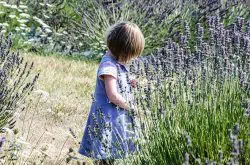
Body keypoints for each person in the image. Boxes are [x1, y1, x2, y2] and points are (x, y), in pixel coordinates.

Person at [78, 21, 145, 165]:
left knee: (111, 153)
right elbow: (112, 95)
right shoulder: (108, 65)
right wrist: (131, 107)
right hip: (107, 119)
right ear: (122, 51)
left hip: (114, 118)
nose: (130, 59)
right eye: (129, 55)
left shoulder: (116, 63)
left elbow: (119, 79)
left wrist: (129, 81)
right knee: (104, 154)